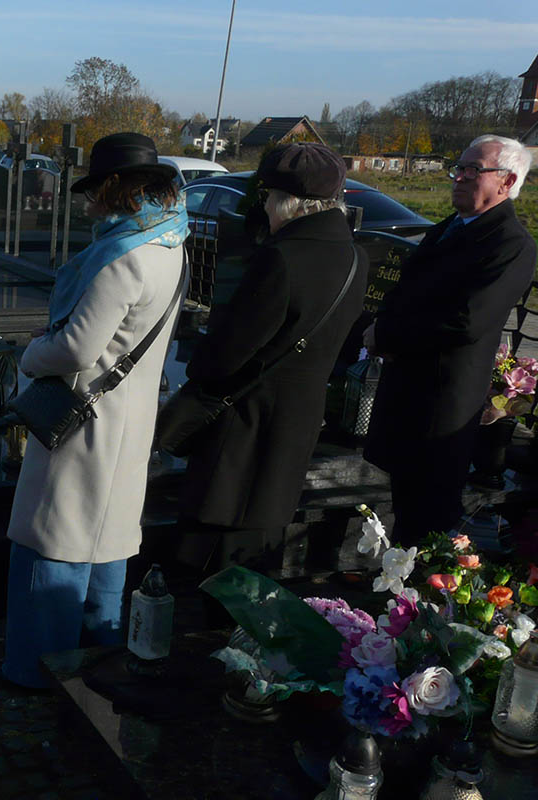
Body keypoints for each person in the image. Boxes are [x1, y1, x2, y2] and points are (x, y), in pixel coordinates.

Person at [0, 133, 186, 689]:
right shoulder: (169, 243)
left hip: (83, 423)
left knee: (53, 545)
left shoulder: (122, 259)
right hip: (129, 418)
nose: (85, 202)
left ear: (114, 189)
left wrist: (30, 354)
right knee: (106, 547)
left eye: (92, 190)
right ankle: (97, 662)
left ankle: (35, 671)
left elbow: (76, 349)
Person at [176, 142, 369, 572]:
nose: (263, 206)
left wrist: (199, 361)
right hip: (299, 421)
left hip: (246, 428)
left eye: (268, 197)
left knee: (214, 559)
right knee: (260, 550)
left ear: (288, 202)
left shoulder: (281, 258)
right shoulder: (355, 257)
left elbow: (227, 354)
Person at [363, 135, 536, 543]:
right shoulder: (449, 228)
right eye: (459, 167)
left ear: (507, 181)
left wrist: (385, 334)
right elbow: (408, 290)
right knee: (403, 511)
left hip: (441, 407)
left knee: (426, 525)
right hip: (408, 395)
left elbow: (466, 321)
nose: (459, 177)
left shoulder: (510, 244)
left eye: (473, 170)